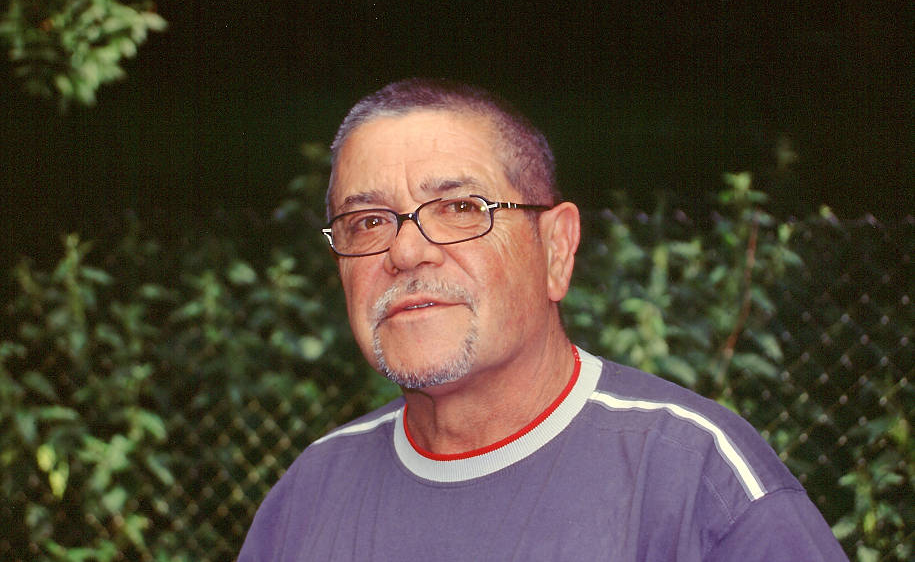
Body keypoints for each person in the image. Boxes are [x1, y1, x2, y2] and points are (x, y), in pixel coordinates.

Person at [238, 79, 847, 561]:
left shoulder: (696, 481)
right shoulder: (307, 498)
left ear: (556, 249)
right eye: (368, 222)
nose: (406, 250)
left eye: (459, 207)